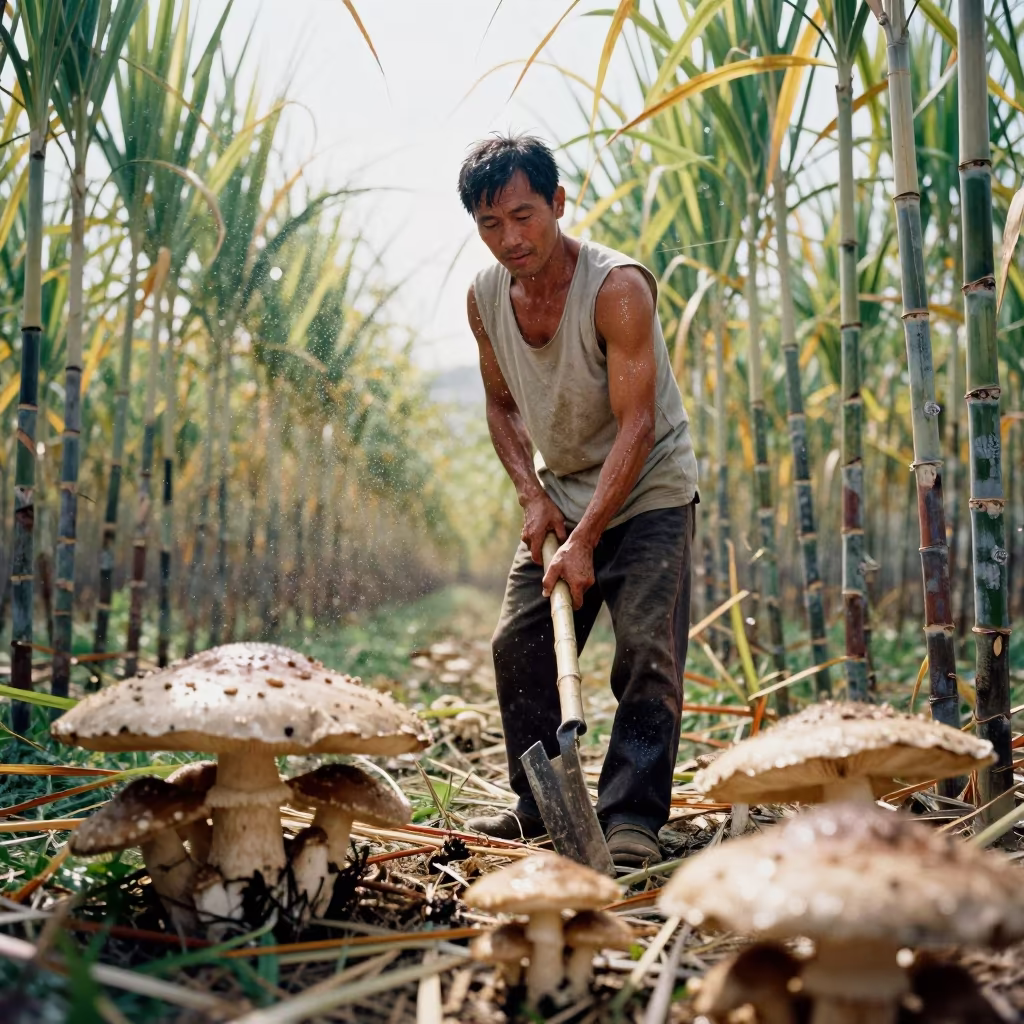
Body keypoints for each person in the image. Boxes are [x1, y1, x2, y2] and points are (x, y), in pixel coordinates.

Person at [459, 133, 698, 871]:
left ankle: (631, 817)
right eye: (492, 224)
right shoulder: (485, 298)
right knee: (516, 645)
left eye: (526, 216)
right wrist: (535, 500)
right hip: (562, 498)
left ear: (559, 205)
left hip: (649, 490)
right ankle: (542, 807)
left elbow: (638, 423)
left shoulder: (617, 288)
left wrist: (588, 536)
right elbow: (501, 409)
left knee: (648, 652)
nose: (512, 239)